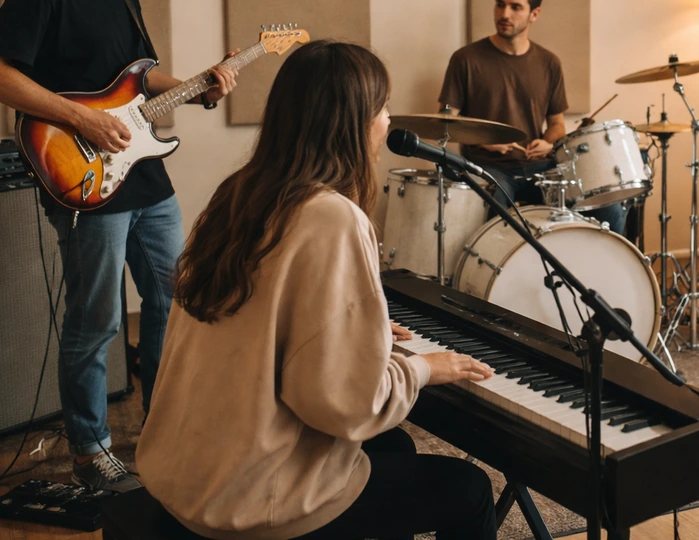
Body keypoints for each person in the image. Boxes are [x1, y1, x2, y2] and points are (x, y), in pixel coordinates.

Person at [136, 40, 497, 539]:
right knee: (469, 488)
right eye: (383, 107)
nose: (389, 121)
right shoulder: (331, 216)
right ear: (352, 121)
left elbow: (264, 320)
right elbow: (342, 406)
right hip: (251, 498)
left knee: (395, 450)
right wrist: (420, 368)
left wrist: (357, 337)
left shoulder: (238, 193)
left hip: (186, 475)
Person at [0, 0, 238, 490]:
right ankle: (90, 447)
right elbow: (2, 75)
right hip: (80, 176)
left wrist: (202, 85)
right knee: (97, 319)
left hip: (146, 178)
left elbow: (141, 80)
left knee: (176, 300)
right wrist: (79, 117)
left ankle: (165, 422)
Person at [439, 0, 627, 233]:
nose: (504, 14)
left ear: (534, 14)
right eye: (500, 4)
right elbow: (445, 122)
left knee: (609, 208)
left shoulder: (549, 63)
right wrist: (485, 140)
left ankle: (597, 273)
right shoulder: (466, 59)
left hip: (539, 168)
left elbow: (558, 125)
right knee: (495, 221)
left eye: (516, 7)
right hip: (488, 168)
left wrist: (548, 141)